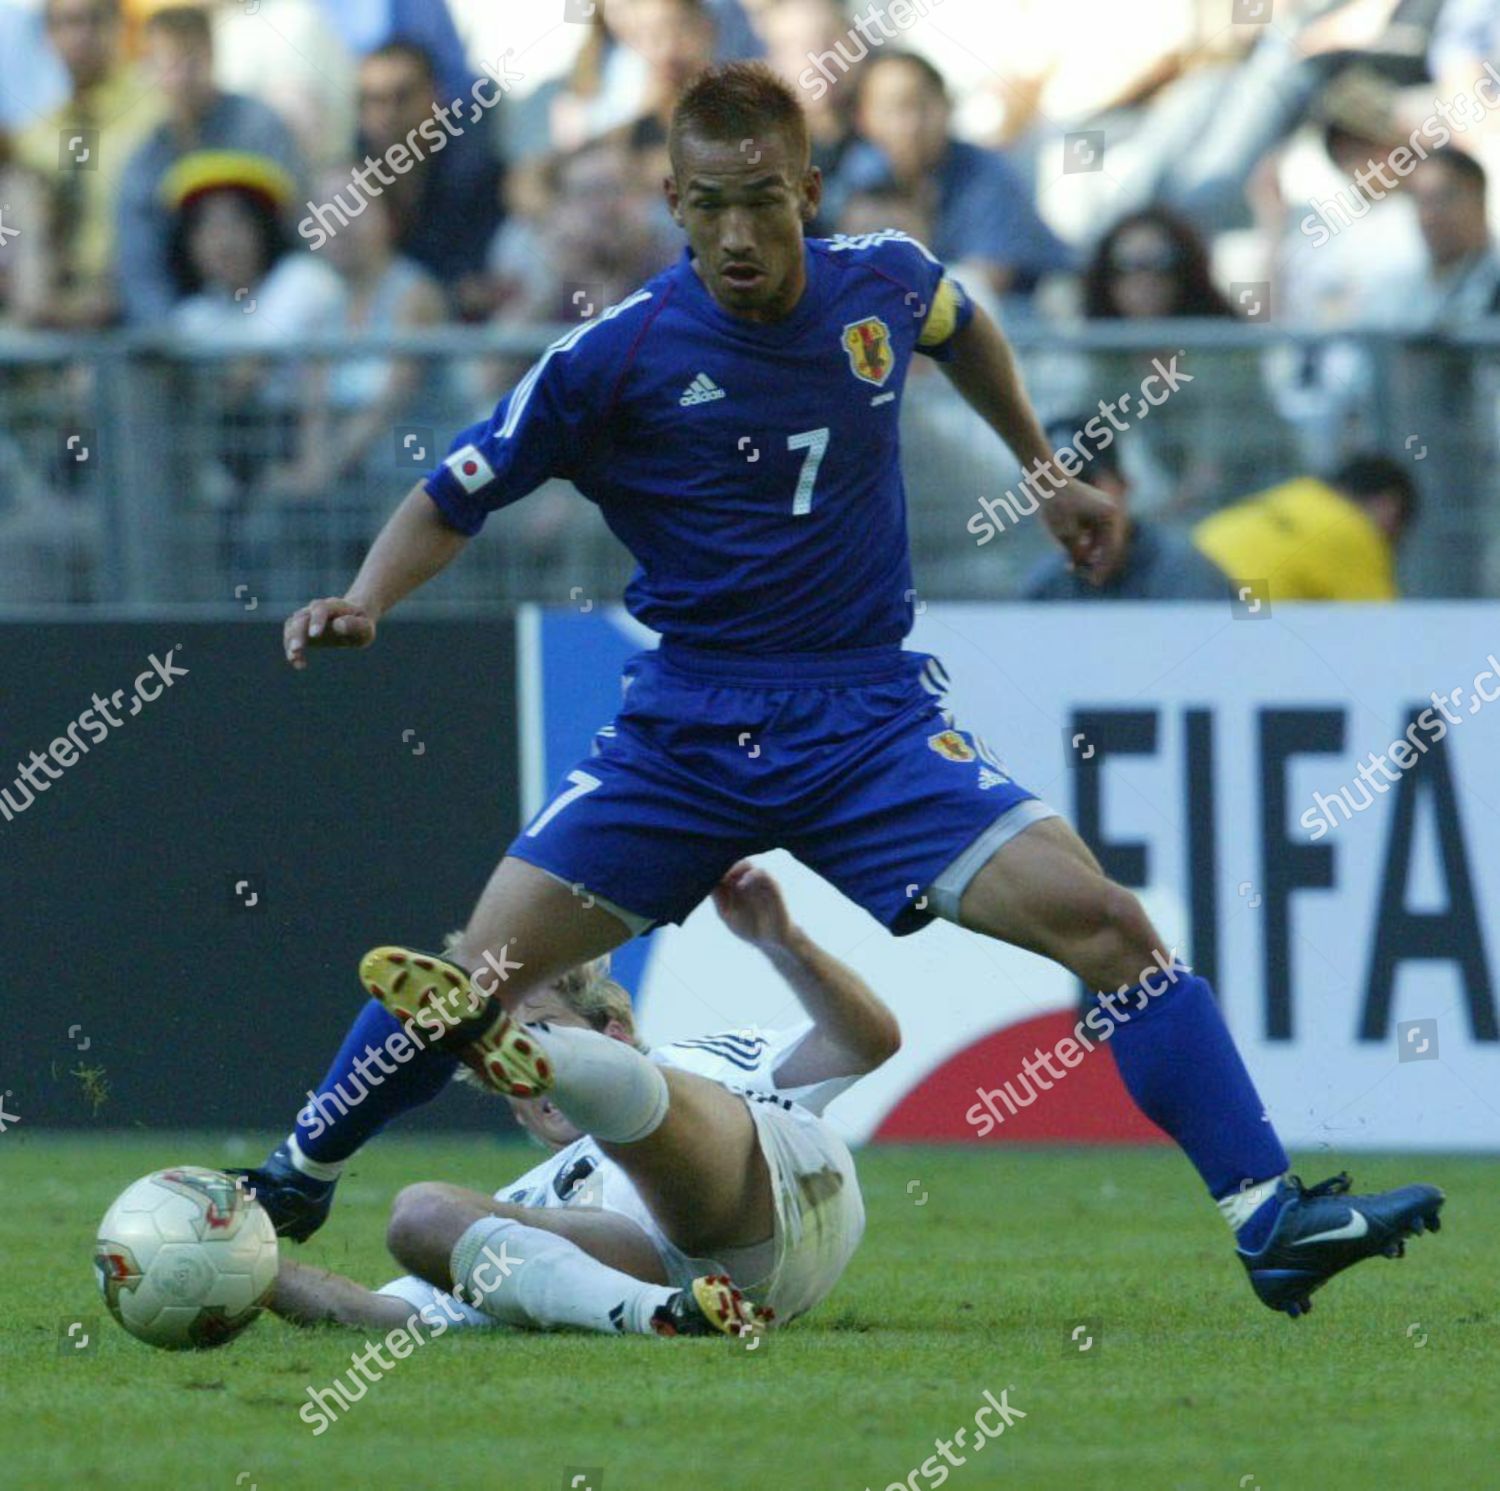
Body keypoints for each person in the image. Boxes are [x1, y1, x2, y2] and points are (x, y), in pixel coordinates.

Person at [281, 61, 1443, 1320]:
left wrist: (1044, 470)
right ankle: (293, 1178)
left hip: (866, 719)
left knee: (1105, 924)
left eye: (764, 202)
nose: (738, 233)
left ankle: (1271, 1216)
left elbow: (966, 323)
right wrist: (367, 598)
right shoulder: (612, 356)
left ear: (809, 192)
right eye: (711, 204)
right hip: (686, 727)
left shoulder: (883, 278)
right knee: (472, 977)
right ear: (673, 200)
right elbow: (456, 490)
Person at [243, 861, 893, 1339]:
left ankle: (540, 1050)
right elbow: (377, 1312)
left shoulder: (702, 1058)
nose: (526, 1095)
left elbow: (866, 1042)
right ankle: (659, 1315)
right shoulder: (536, 1193)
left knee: (662, 1107)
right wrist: (245, 1264)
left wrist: (783, 940)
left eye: (540, 1023)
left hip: (779, 1187)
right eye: (510, 1062)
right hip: (695, 1272)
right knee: (420, 1215)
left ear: (613, 1028)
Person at [115, 5, 304, 325]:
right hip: (189, 324)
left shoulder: (261, 127)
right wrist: (171, 343)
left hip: (275, 313)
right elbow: (139, 266)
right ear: (147, 67)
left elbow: (295, 227)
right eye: (168, 64)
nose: (182, 77)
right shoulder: (143, 160)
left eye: (191, 60)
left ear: (213, 56)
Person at [830, 50, 1072, 300]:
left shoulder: (986, 172)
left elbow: (985, 283)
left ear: (948, 105)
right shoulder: (857, 174)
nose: (912, 124)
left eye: (923, 105)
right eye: (894, 108)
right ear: (863, 118)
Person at [10, 0, 162, 329]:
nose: (82, 35)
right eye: (68, 23)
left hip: (138, 312)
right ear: (48, 36)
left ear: (119, 28)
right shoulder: (34, 137)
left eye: (95, 21)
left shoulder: (158, 116)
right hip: (52, 319)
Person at [353, 40, 504, 313]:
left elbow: (482, 289)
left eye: (403, 97)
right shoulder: (345, 187)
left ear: (437, 98)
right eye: (375, 100)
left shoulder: (481, 179)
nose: (388, 114)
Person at [1022, 416, 1230, 601]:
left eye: (1085, 485)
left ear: (1124, 485)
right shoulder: (1044, 589)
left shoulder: (1187, 578)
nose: (1072, 507)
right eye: (1050, 493)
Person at [1193, 452, 1418, 602]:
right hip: (1230, 606)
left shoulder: (1298, 493)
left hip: (1180, 579)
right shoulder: (1354, 531)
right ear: (1388, 507)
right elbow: (1382, 632)